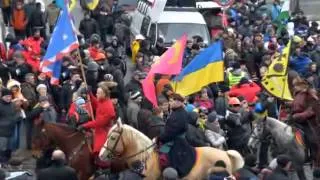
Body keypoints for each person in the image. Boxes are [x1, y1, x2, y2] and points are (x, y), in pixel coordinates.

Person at [78, 84, 115, 166]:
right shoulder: (103, 101)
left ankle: (102, 168)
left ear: (104, 94)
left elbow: (99, 123)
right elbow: (96, 103)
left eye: (98, 93)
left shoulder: (108, 107)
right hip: (99, 130)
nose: (96, 95)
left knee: (100, 151)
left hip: (104, 132)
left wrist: (85, 125)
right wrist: (90, 94)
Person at [158, 93, 195, 177]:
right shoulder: (178, 112)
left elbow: (169, 133)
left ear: (179, 102)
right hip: (177, 140)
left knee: (165, 158)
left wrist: (159, 138)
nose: (170, 103)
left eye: (171, 101)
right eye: (170, 101)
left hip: (176, 143)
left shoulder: (178, 115)